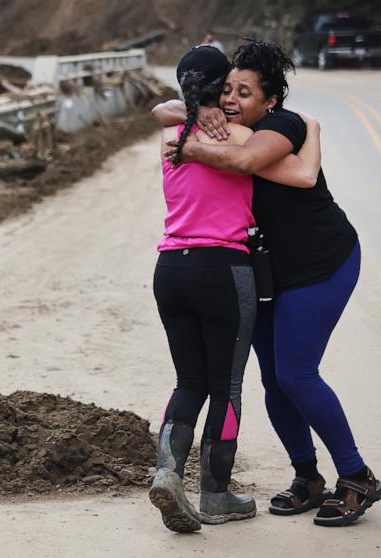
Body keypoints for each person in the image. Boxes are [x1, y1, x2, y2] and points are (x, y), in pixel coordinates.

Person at [157, 38, 380, 528]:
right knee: (272, 378)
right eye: (228, 90)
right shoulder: (230, 125)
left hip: (323, 262)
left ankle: (357, 476)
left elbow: (254, 164)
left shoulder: (284, 125)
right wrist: (191, 112)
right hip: (267, 270)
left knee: (296, 373)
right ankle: (306, 476)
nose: (233, 100)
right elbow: (168, 106)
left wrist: (188, 143)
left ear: (271, 101)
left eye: (245, 92)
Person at [148, 45, 321, 533]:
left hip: (170, 268)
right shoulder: (240, 134)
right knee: (226, 388)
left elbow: (163, 108)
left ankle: (167, 473)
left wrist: (193, 104)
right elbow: (301, 175)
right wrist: (313, 131)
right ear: (217, 86)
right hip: (222, 268)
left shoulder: (169, 131)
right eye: (226, 86)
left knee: (188, 383)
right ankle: (217, 495)